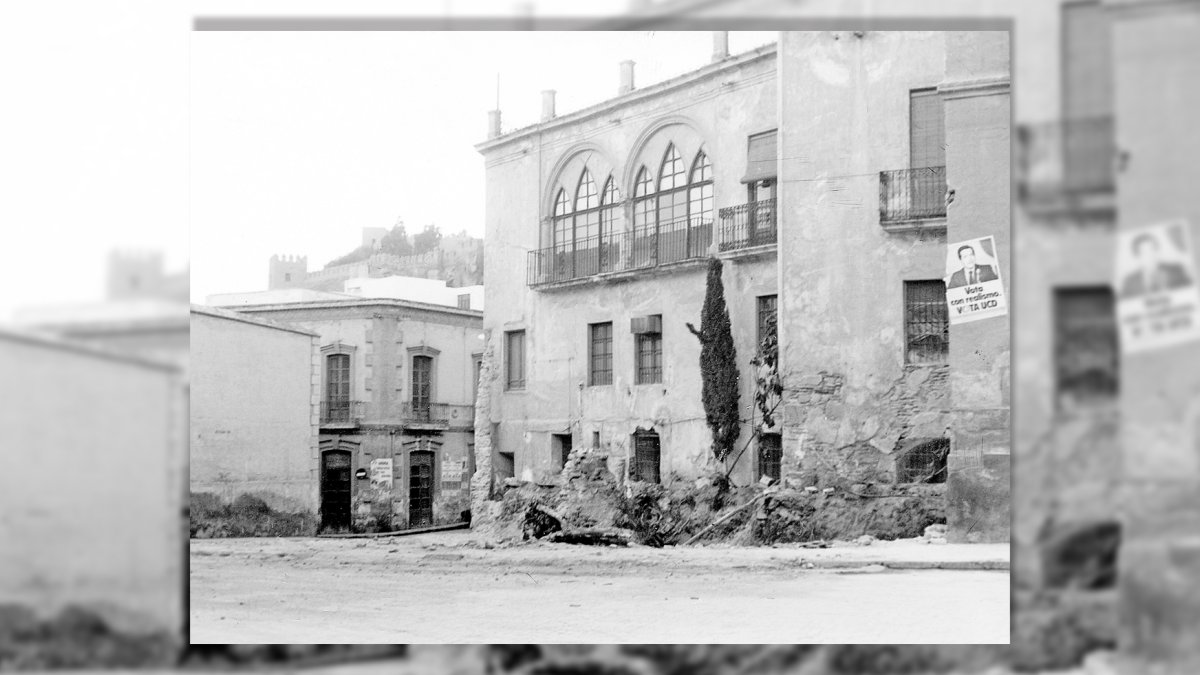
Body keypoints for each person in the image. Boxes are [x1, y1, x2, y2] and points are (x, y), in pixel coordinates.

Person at [1121, 233, 1192, 298]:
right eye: (1145, 252)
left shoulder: (1176, 270)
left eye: (1153, 249)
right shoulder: (1129, 282)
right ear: (1137, 257)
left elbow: (1190, 295)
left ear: (1158, 250)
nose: (1151, 255)